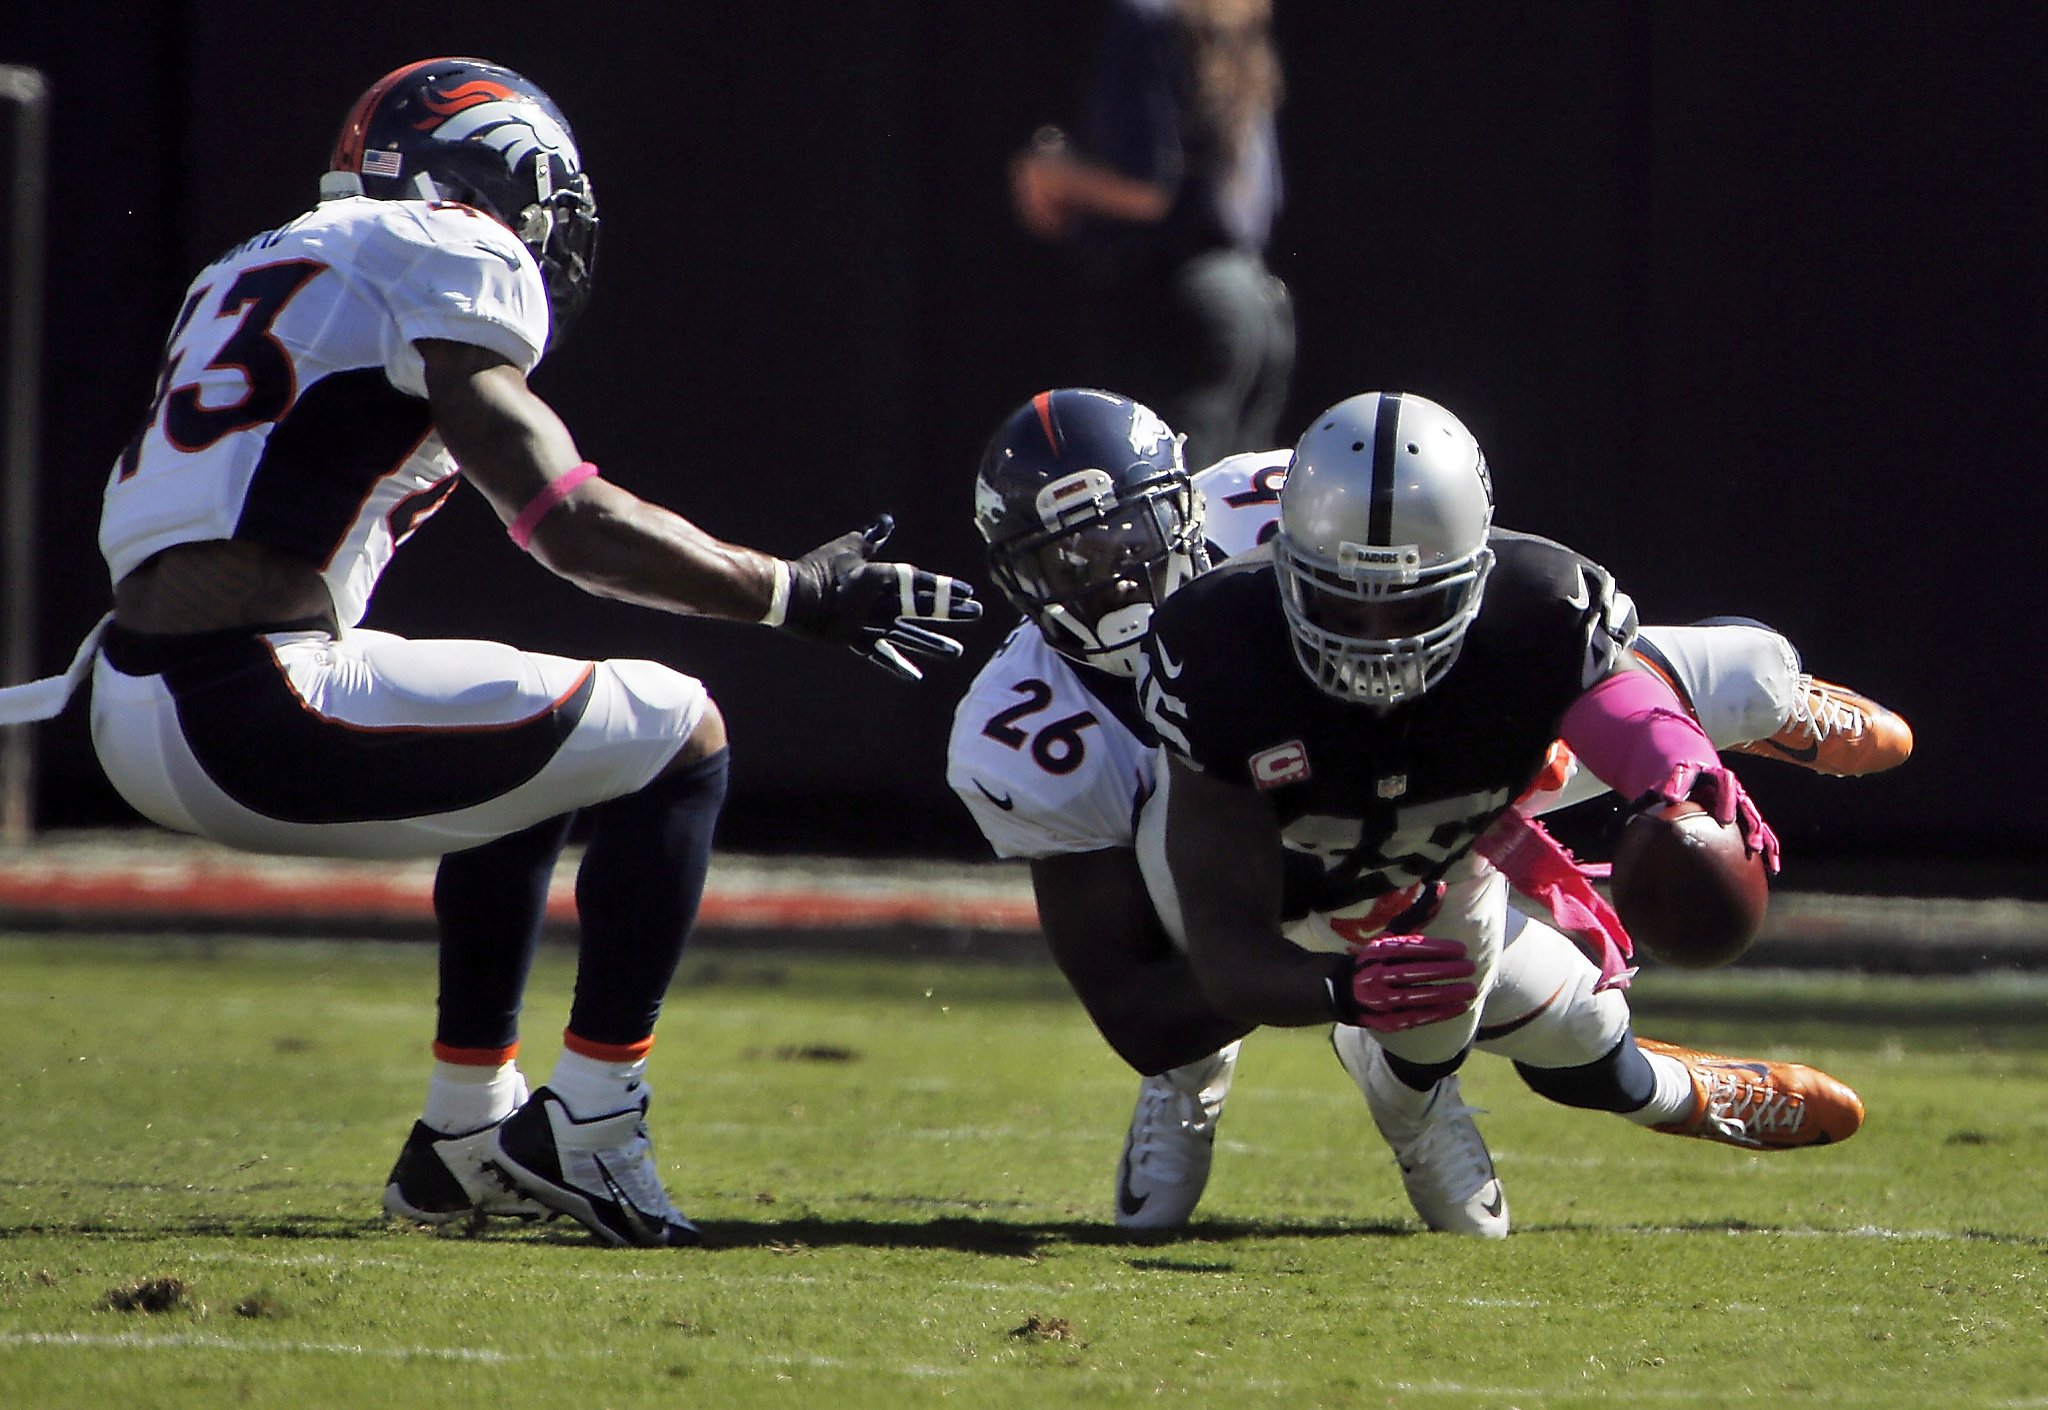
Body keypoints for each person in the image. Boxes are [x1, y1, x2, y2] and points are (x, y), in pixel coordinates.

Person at [0, 58, 980, 1249]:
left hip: (127, 691)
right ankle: (595, 1119)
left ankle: (464, 1135)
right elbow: (567, 520)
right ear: (497, 171)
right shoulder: (450, 247)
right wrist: (791, 594)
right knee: (681, 731)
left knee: (542, 749)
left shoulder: (262, 258)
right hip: (243, 700)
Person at [948, 388, 1906, 1234]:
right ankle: (1223, 1082)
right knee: (1566, 1030)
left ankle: (1769, 706)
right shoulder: (1034, 728)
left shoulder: (1301, 506)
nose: (1110, 578)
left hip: (1444, 762)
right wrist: (1318, 987)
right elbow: (1141, 991)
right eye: (1066, 560)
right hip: (1281, 870)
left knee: (1727, 673)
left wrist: (1668, 765)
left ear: (1191, 505)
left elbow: (1486, 589)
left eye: (1125, 539)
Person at [1010, 0, 1292, 471]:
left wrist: (1053, 177)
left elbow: (1147, 189)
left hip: (1176, 311)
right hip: (1256, 309)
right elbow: (1264, 194)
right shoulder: (1234, 15)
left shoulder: (1148, 17)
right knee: (1232, 525)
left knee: (1169, 520)